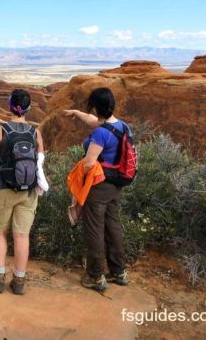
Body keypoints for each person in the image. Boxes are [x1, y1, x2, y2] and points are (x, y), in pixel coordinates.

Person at [64, 87, 130, 292]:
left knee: (94, 229)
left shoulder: (101, 134)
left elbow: (89, 163)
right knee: (113, 226)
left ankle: (95, 276)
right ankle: (119, 272)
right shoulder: (122, 126)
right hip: (116, 184)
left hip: (99, 186)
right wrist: (77, 113)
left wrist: (79, 177)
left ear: (96, 107)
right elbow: (94, 121)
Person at [0, 89, 44, 295]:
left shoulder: (0, 130)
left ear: (9, 105)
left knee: (0, 232)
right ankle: (19, 281)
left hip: (3, 188)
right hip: (28, 191)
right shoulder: (36, 133)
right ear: (27, 108)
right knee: (22, 235)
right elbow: (40, 162)